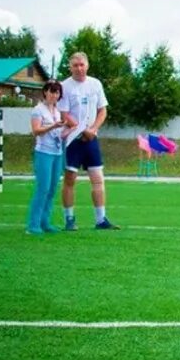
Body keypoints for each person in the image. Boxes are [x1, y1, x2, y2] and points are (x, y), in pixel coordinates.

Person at [58, 52, 119, 231]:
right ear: (70, 67)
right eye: (75, 65)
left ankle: (101, 219)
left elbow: (102, 110)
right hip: (73, 140)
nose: (79, 68)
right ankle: (69, 219)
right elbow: (64, 113)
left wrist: (92, 130)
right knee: (70, 179)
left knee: (98, 179)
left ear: (87, 65)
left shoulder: (95, 84)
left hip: (91, 139)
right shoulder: (65, 86)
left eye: (81, 64)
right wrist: (79, 128)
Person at [26, 80, 70, 235]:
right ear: (45, 92)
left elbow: (57, 134)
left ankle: (45, 222)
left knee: (52, 189)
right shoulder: (38, 110)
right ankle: (33, 225)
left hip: (57, 153)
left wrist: (68, 131)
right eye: (51, 91)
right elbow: (36, 130)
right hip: (43, 153)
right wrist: (53, 126)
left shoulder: (57, 111)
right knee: (42, 188)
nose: (54, 95)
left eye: (57, 92)